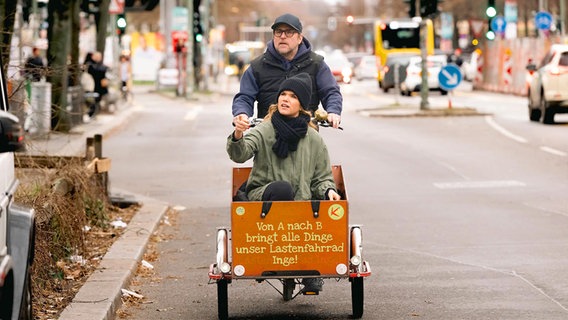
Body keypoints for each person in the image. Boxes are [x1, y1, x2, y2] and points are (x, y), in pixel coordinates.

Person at [228, 72, 341, 202]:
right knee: (282, 189)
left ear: (301, 105)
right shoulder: (264, 130)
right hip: (263, 198)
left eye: (293, 96)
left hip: (301, 204)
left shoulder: (314, 138)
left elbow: (321, 178)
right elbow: (239, 155)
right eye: (283, 94)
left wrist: (329, 191)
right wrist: (238, 133)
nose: (285, 99)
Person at [232, 13, 342, 129]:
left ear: (300, 38)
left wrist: (333, 111)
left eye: (289, 32)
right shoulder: (257, 66)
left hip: (305, 134)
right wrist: (241, 113)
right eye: (278, 32)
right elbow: (244, 96)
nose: (283, 36)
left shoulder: (316, 64)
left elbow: (331, 92)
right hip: (267, 136)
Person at [87, 51, 108, 117]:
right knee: (93, 101)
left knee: (97, 100)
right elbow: (97, 72)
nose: (99, 58)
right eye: (97, 57)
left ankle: (95, 113)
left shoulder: (99, 65)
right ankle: (92, 113)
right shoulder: (90, 64)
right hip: (92, 86)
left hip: (99, 87)